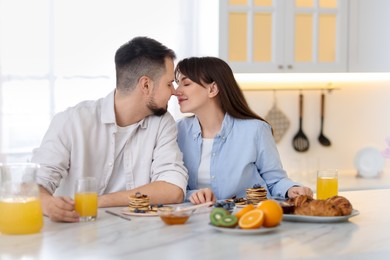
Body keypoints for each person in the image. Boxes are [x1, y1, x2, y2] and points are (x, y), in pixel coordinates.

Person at [32, 36, 188, 222]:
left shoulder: (162, 123)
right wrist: (48, 204)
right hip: (72, 235)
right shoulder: (72, 121)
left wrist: (97, 202)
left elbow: (172, 189)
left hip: (137, 236)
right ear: (146, 85)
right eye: (169, 83)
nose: (174, 91)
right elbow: (34, 185)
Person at [174, 56, 313, 205]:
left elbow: (275, 180)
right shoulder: (177, 131)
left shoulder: (256, 130)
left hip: (247, 219)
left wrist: (291, 189)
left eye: (186, 84)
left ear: (212, 89)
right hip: (195, 221)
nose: (176, 91)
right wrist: (193, 195)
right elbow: (172, 186)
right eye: (177, 84)